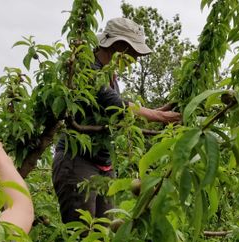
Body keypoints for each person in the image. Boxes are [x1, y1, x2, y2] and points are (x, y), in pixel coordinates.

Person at [53, 17, 181, 224]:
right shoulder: (88, 69)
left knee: (105, 235)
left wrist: (155, 112)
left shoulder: (109, 74)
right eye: (134, 52)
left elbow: (117, 110)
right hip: (76, 160)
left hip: (103, 164)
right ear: (119, 46)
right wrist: (160, 117)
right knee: (82, 234)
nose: (136, 58)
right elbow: (114, 102)